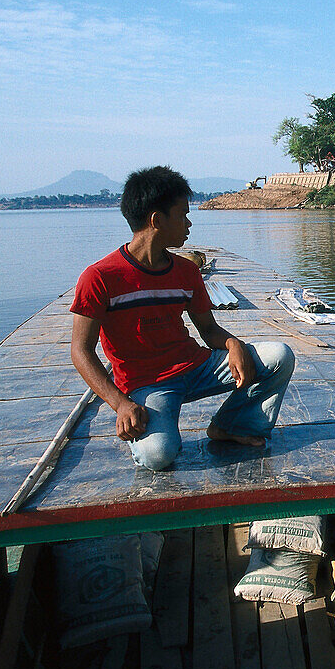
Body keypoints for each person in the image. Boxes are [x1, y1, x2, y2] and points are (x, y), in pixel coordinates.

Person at [70, 166, 296, 471]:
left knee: (279, 356)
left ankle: (231, 425)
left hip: (197, 367)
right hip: (148, 385)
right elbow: (81, 350)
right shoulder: (100, 277)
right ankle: (153, 430)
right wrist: (120, 404)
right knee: (157, 455)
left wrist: (233, 344)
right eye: (183, 216)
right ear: (156, 221)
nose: (189, 225)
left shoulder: (186, 271)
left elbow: (208, 329)